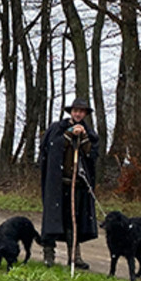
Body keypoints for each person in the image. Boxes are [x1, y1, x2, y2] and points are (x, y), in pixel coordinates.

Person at [39, 98, 99, 269]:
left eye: (81, 111)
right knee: (53, 219)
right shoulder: (57, 129)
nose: (78, 114)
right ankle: (48, 253)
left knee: (74, 221)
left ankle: (74, 256)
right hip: (58, 184)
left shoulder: (89, 133)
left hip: (77, 183)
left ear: (85, 114)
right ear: (71, 112)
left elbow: (91, 155)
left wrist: (84, 137)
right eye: (75, 110)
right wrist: (69, 135)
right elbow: (51, 149)